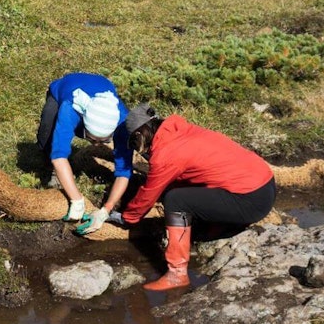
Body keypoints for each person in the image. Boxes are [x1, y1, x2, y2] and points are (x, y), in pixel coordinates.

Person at [107, 104, 275, 290]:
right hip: (264, 185)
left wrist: (127, 218)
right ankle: (214, 227)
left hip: (251, 201)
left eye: (132, 144)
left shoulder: (166, 153)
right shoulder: (181, 132)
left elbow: (148, 193)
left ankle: (177, 274)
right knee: (176, 189)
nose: (136, 149)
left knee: (176, 200)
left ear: (139, 135)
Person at [34, 73, 132, 231]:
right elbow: (59, 157)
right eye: (92, 140)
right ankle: (51, 170)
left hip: (101, 85)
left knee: (127, 147)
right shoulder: (69, 108)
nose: (96, 145)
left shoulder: (122, 122)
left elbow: (124, 172)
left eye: (104, 141)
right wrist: (77, 200)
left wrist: (106, 209)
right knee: (46, 140)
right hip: (63, 88)